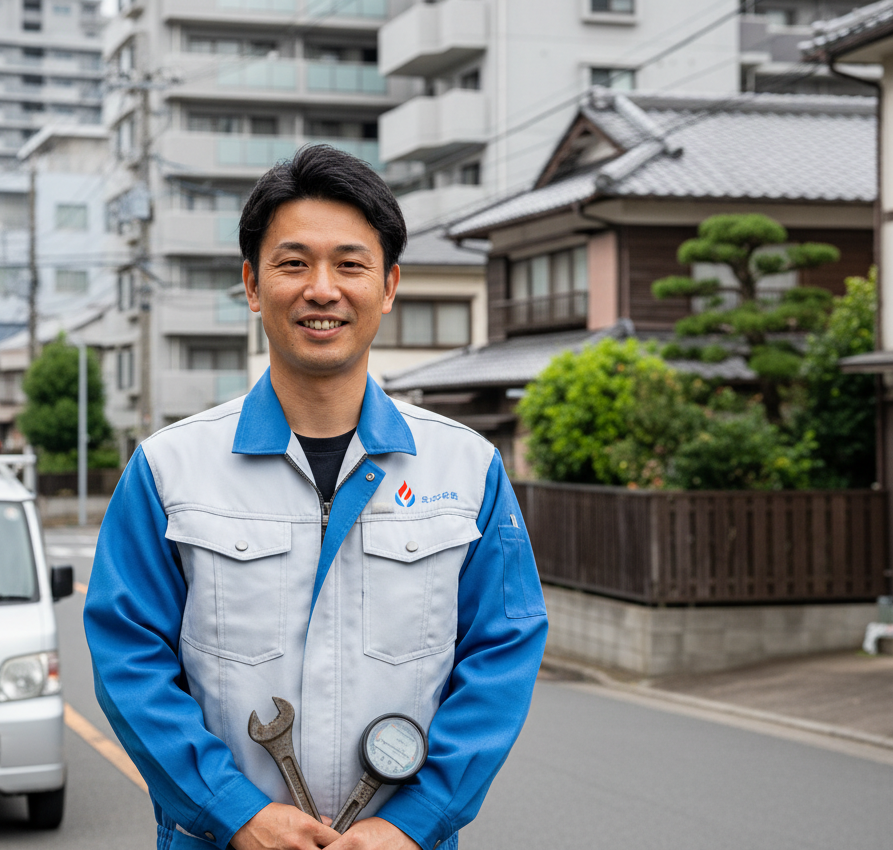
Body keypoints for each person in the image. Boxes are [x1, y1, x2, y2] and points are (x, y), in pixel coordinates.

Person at [84, 145, 548, 850]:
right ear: (251, 282)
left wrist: (412, 824)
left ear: (389, 286)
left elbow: (502, 654)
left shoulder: (469, 467)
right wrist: (236, 811)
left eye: (350, 264)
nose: (322, 289)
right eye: (293, 263)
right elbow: (129, 660)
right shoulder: (169, 469)